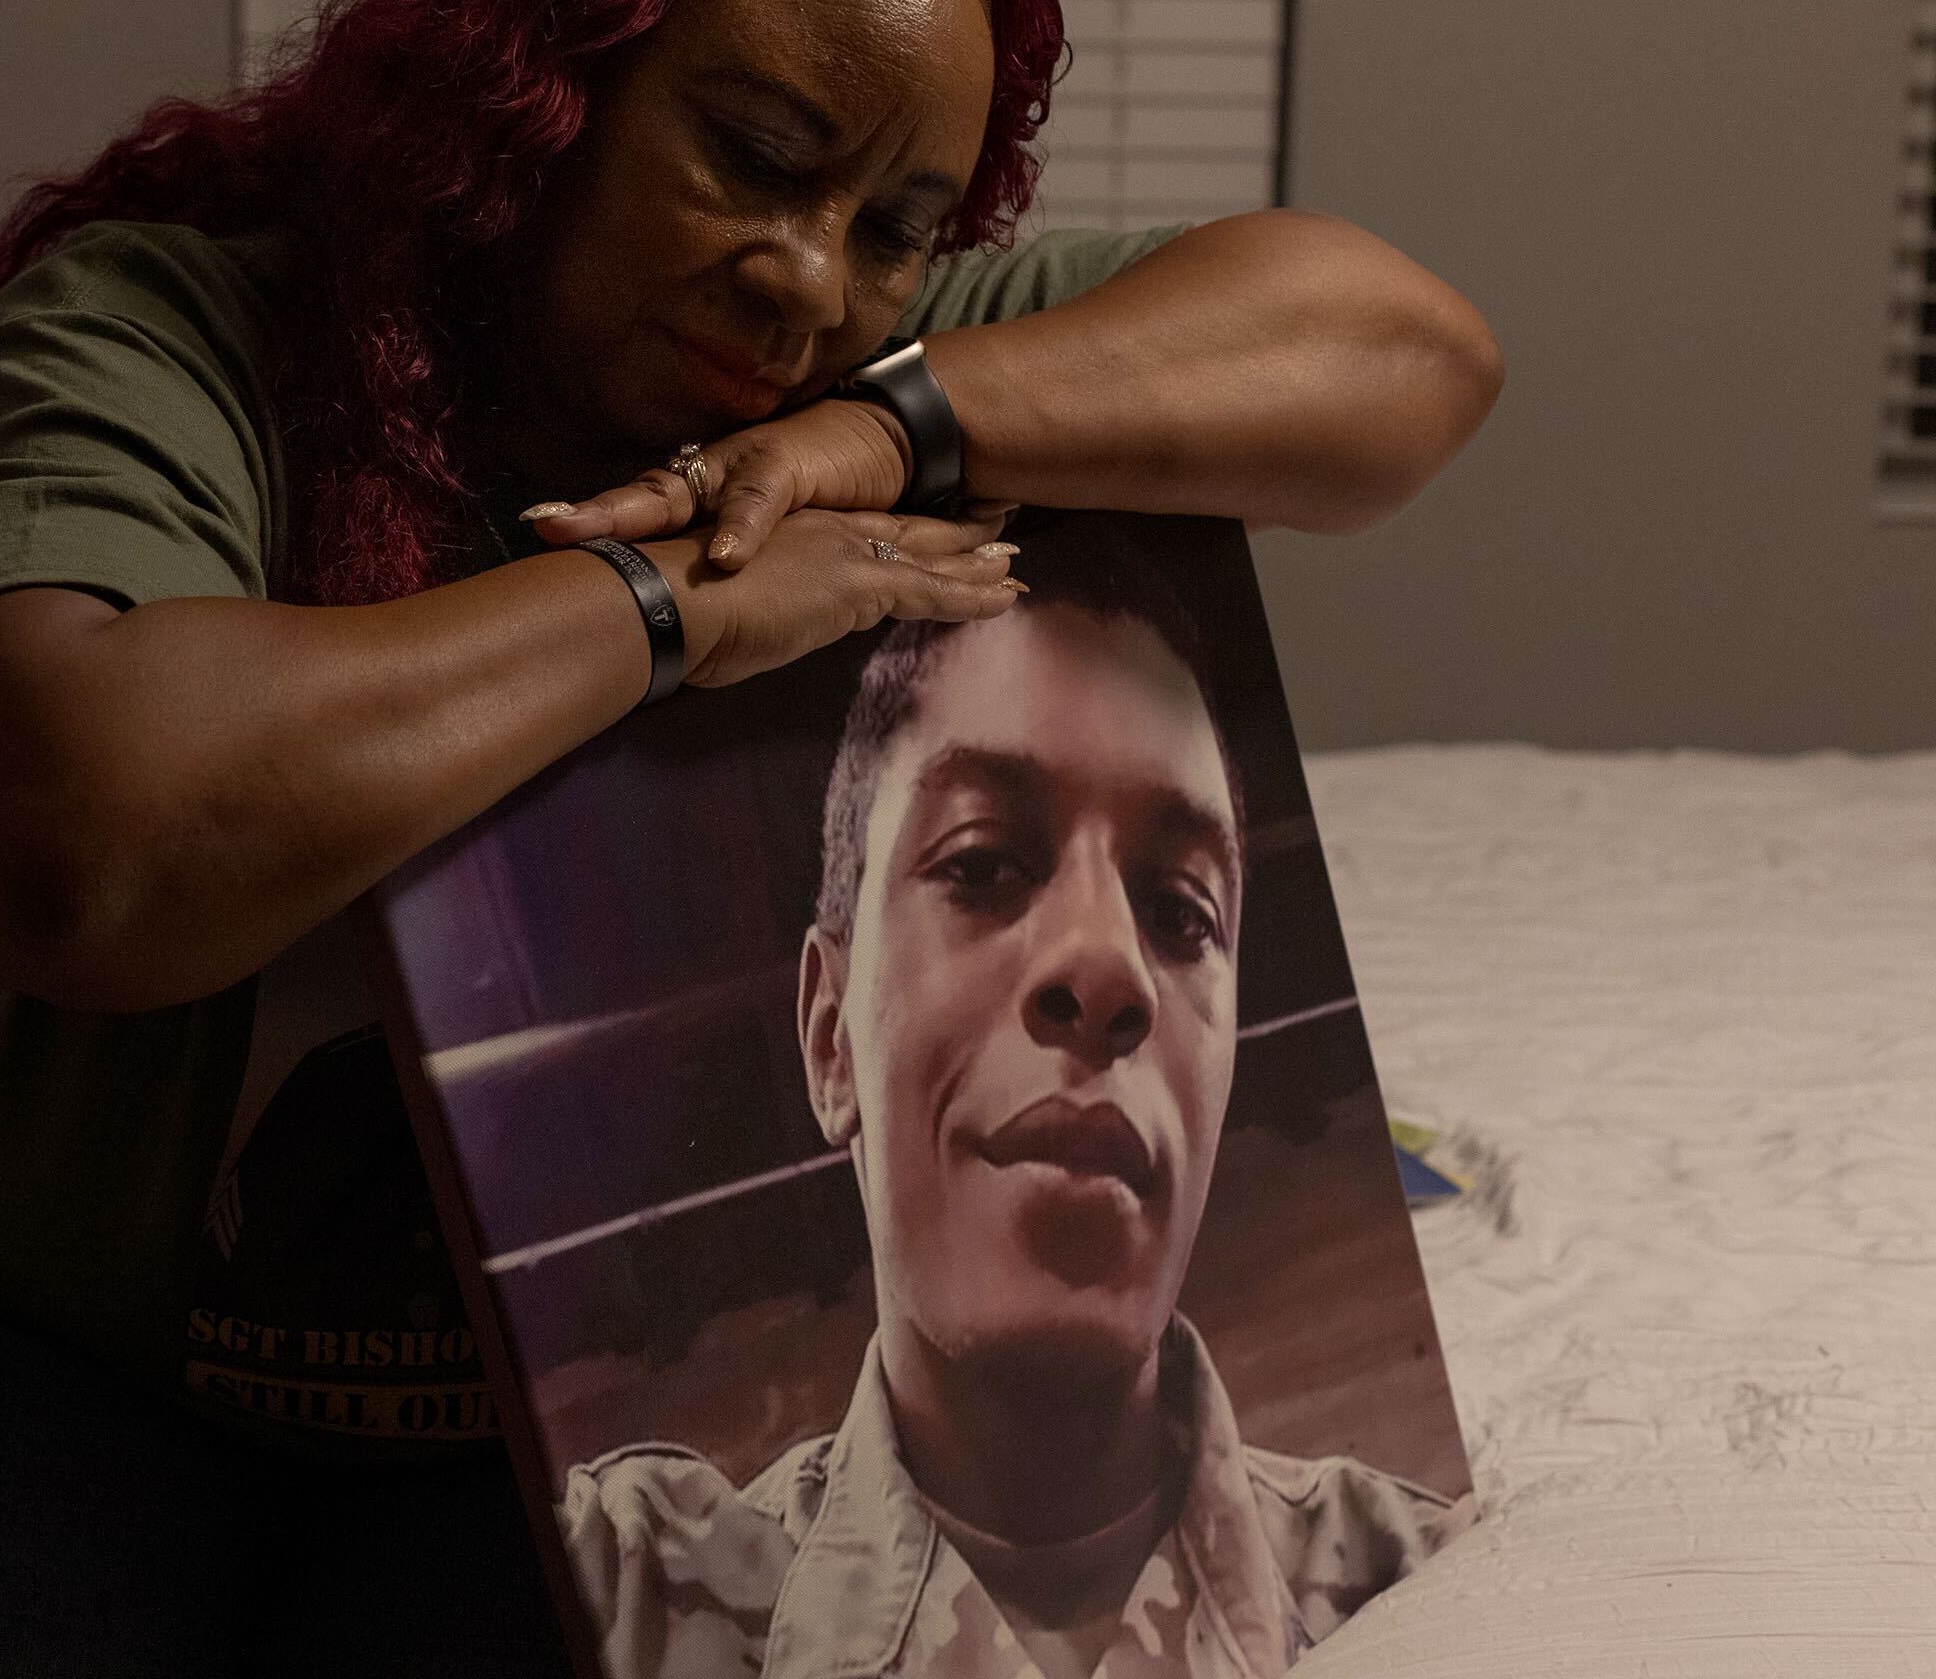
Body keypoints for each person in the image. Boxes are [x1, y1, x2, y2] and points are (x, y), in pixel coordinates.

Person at [0, 0, 1501, 1676]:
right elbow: (72, 847)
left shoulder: (833, 375)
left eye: (895, 227)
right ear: (543, 76)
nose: (804, 280)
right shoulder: (172, 324)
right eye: (754, 156)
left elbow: (1404, 358)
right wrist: (666, 599)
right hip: (20, 1341)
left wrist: (891, 434)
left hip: (554, 1430)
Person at [558, 524, 1472, 1679]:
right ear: (830, 1039)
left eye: (1183, 912)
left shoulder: (1441, 1589)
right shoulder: (625, 1588)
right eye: (984, 863)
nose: (1108, 965)